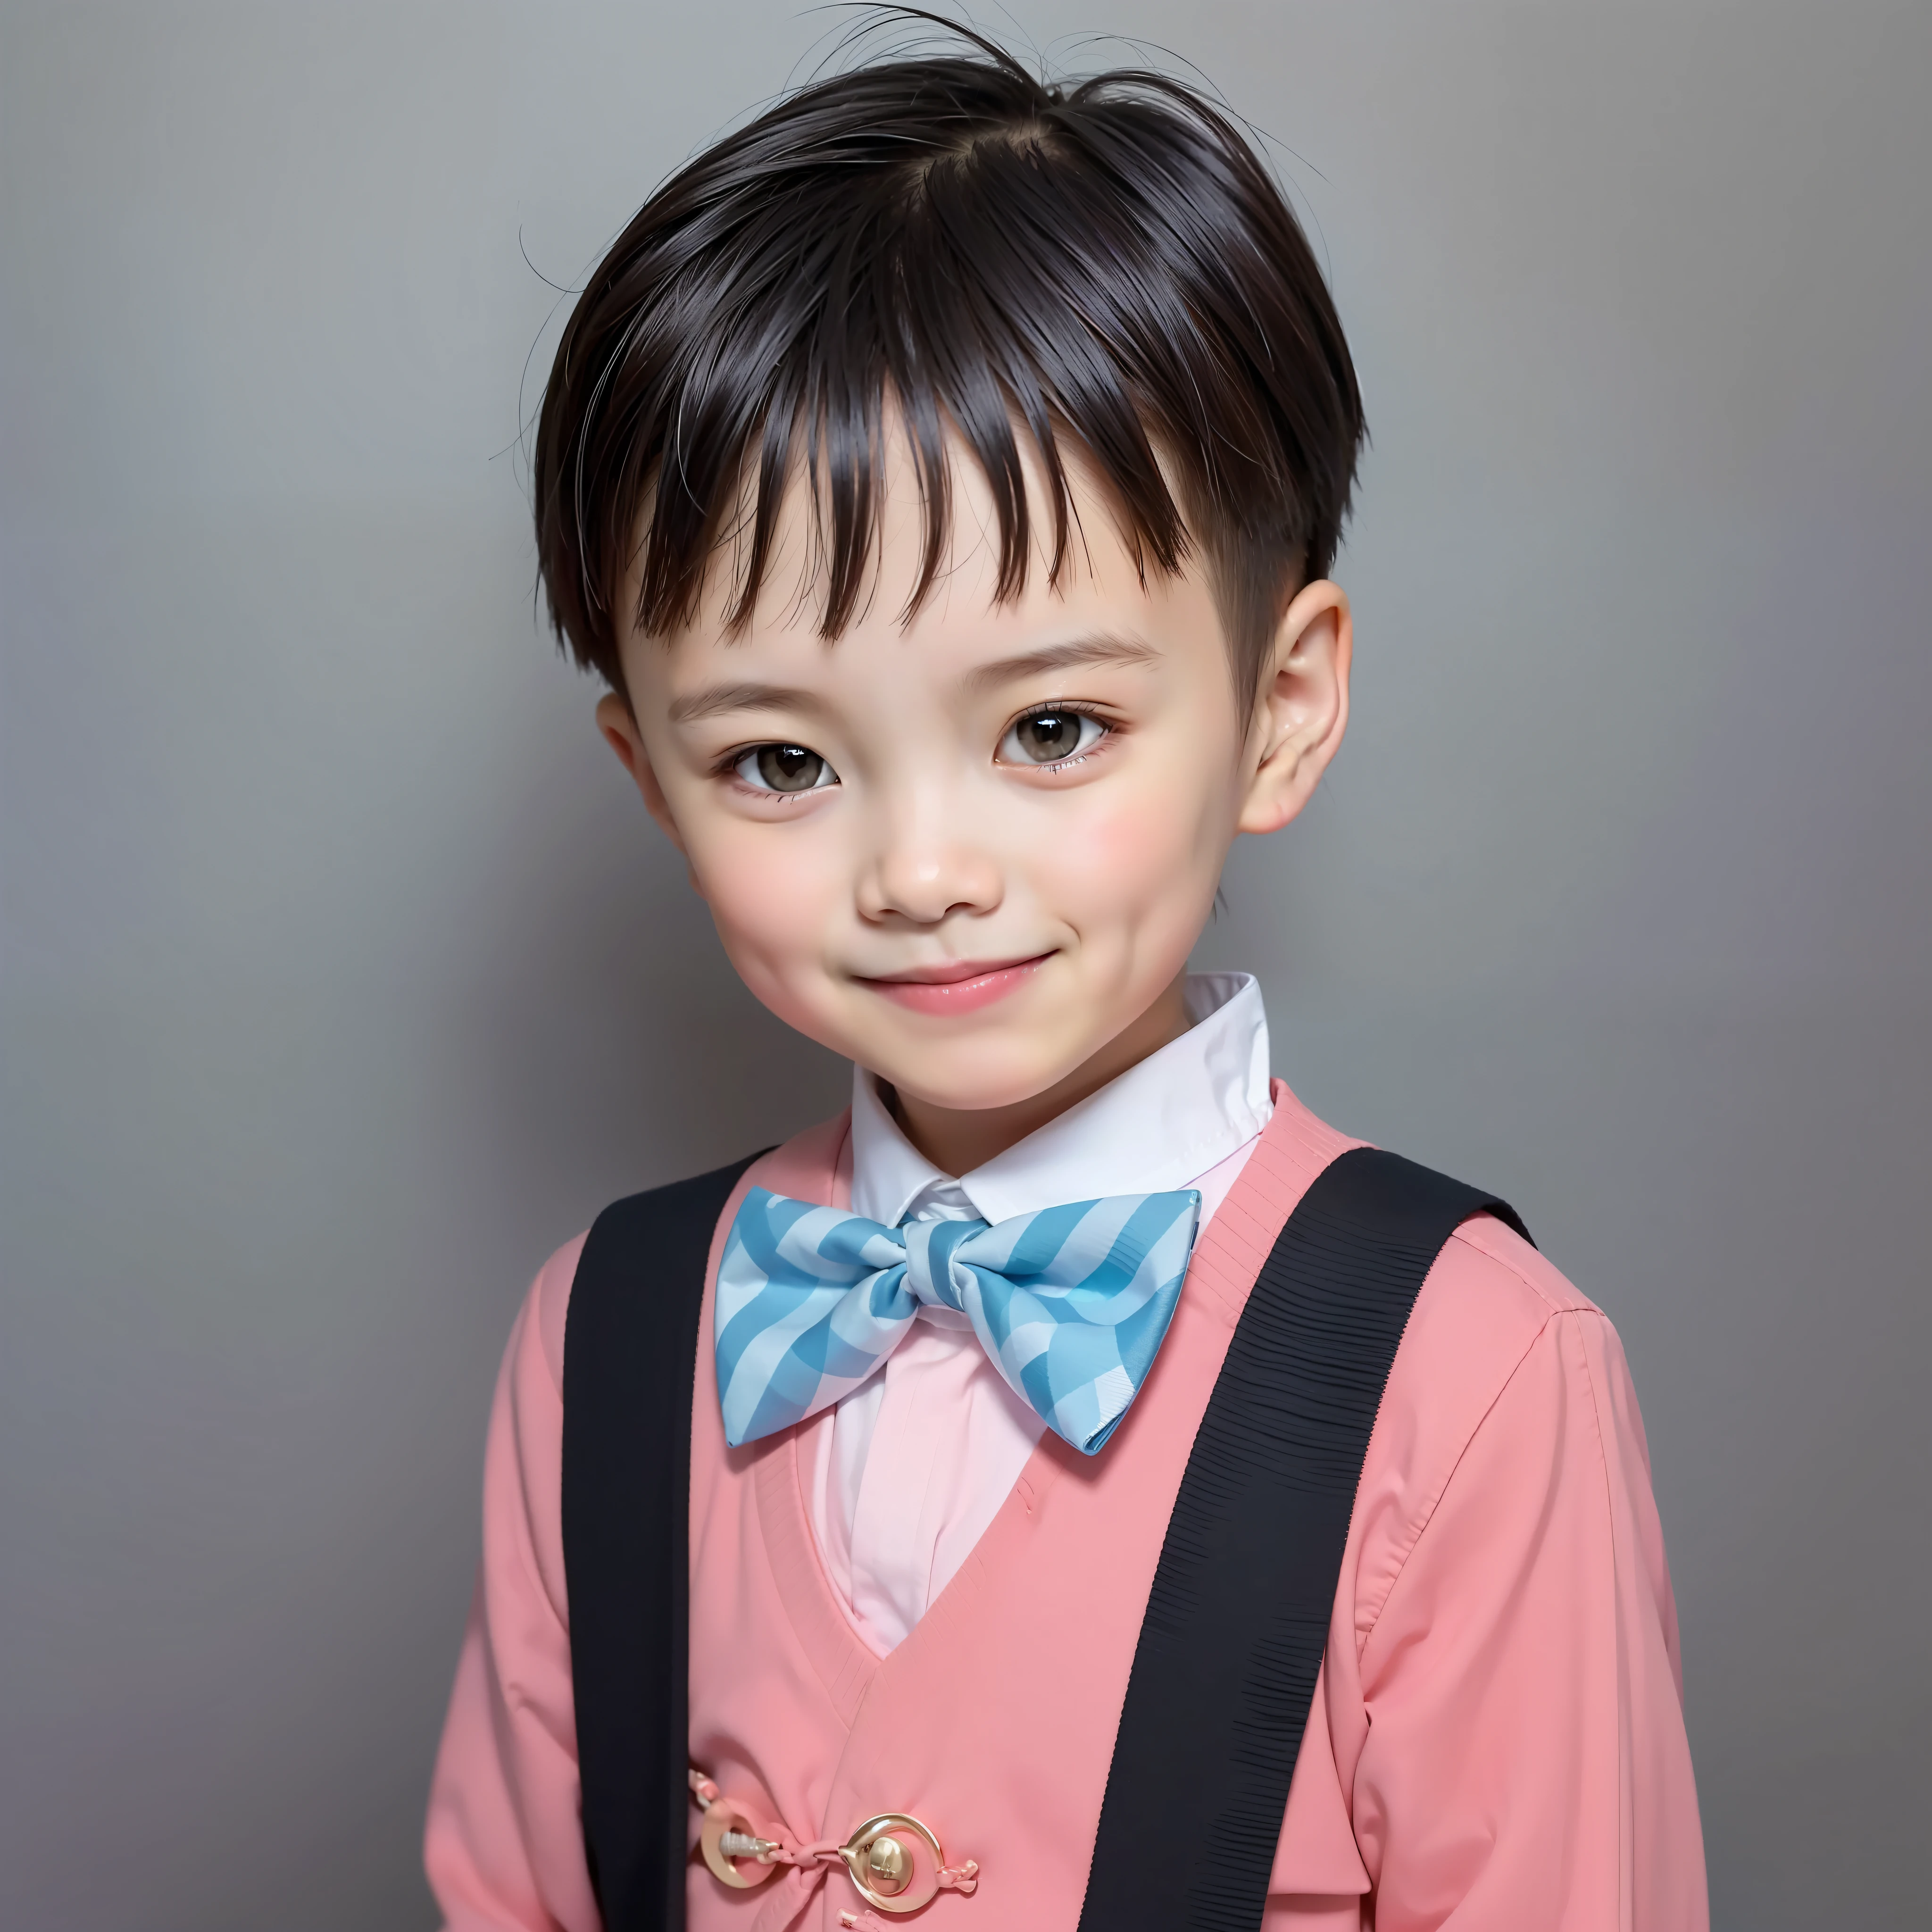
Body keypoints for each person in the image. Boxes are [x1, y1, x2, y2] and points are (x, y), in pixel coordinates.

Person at [425, 26, 1707, 1931]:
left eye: (1050, 725)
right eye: (778, 759)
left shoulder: (1472, 1375)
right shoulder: (601, 1337)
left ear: (1279, 710)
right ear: (653, 783)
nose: (923, 872)